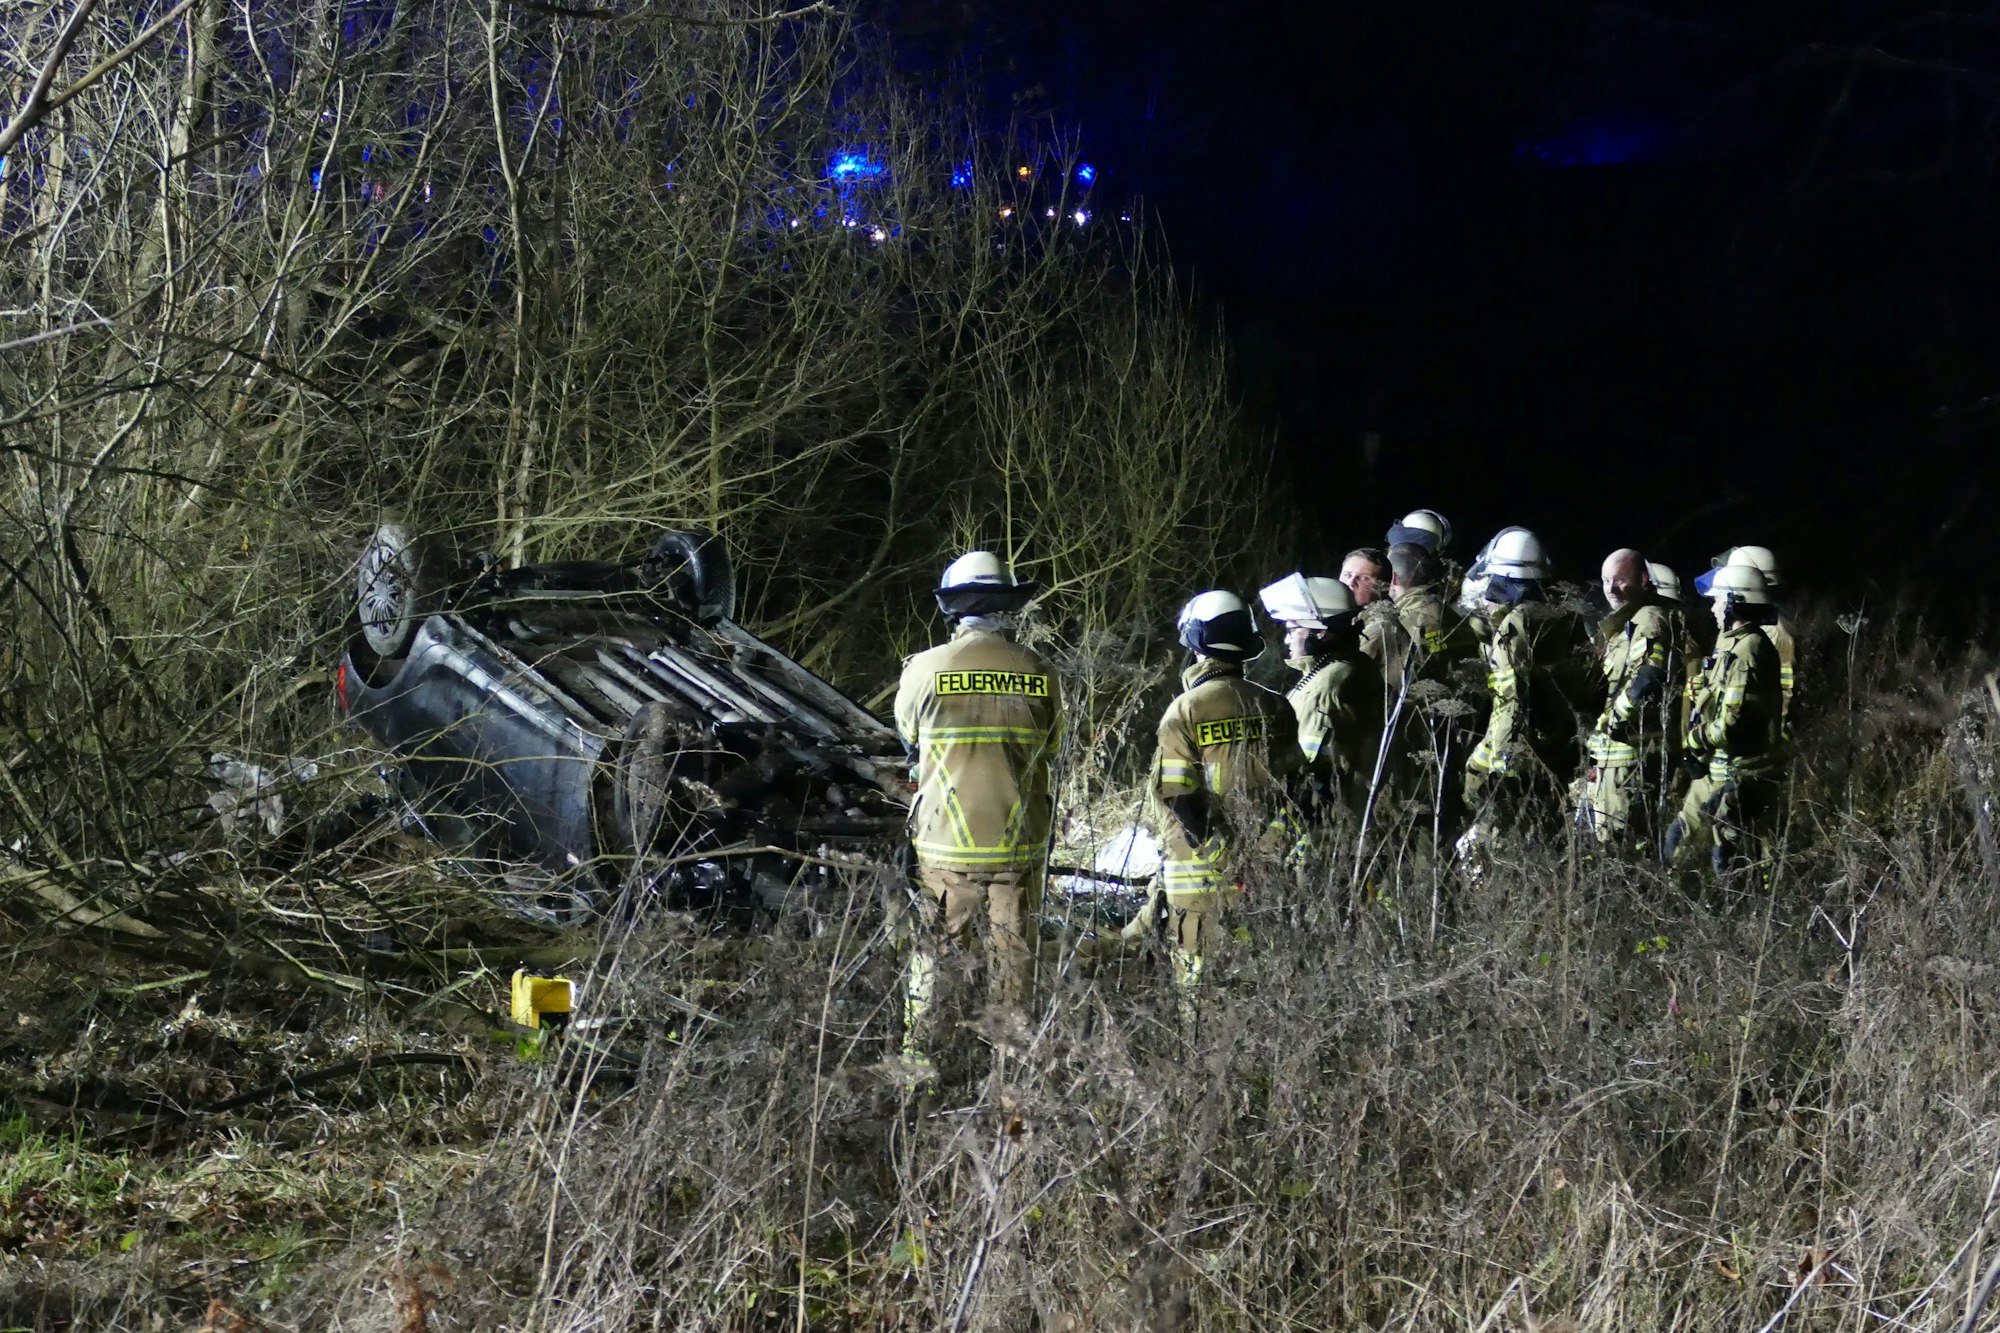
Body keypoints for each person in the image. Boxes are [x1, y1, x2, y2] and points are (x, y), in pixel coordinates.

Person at [894, 551, 1063, 1075]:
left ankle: (921, 1062)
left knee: (934, 955)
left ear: (953, 608)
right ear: (1008, 608)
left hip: (946, 845)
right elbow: (1051, 746)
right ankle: (1010, 1070)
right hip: (1018, 844)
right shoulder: (1040, 670)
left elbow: (910, 739)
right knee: (1014, 960)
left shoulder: (926, 668)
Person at [1127, 590, 1300, 1024]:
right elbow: (1299, 790)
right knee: (1261, 984)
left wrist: (1222, 857)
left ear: (1196, 643)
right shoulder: (1277, 706)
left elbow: (1180, 797)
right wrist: (1265, 853)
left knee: (1200, 993)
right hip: (1268, 872)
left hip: (1200, 877)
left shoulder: (1185, 710)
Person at [1462, 529, 1593, 841]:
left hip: (1519, 752)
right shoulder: (1564, 618)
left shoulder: (1516, 624)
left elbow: (1511, 701)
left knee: (1495, 829)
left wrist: (1499, 766)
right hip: (1558, 745)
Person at [1665, 563, 1788, 886]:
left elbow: (1731, 723)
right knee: (1678, 839)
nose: (1713, 607)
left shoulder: (1750, 650)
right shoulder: (1732, 644)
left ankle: (1740, 924)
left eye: (1718, 600)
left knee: (1728, 859)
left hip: (1740, 774)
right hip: (1719, 769)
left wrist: (1694, 741)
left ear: (1734, 602)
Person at [1578, 550, 1680, 852]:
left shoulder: (1648, 620)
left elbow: (1646, 682)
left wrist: (1611, 725)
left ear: (1643, 580)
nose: (1611, 589)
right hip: (1615, 757)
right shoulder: (1625, 623)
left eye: (1620, 580)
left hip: (1628, 756)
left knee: (1621, 846)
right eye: (1606, 581)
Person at [1258, 573, 1383, 817]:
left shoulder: (1322, 688)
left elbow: (1302, 771)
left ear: (1321, 632)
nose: (1286, 639)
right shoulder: (1353, 664)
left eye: (1292, 629)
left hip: (1331, 819)